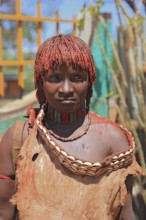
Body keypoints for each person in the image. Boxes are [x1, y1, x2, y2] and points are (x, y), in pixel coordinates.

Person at [0, 34, 143, 220]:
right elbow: (3, 214)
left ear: (89, 82)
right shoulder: (19, 139)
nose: (66, 89)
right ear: (41, 83)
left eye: (77, 77)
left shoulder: (114, 140)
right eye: (55, 77)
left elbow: (126, 215)